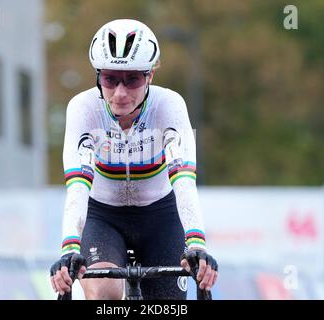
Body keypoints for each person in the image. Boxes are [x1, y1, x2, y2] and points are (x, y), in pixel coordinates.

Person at [50, 19, 218, 300]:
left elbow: (185, 183)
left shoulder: (169, 105)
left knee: (166, 305)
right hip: (103, 216)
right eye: (110, 79)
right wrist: (69, 250)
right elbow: (78, 187)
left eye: (133, 79)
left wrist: (197, 243)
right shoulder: (83, 108)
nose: (120, 93)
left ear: (150, 75)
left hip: (160, 216)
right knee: (104, 293)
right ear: (97, 77)